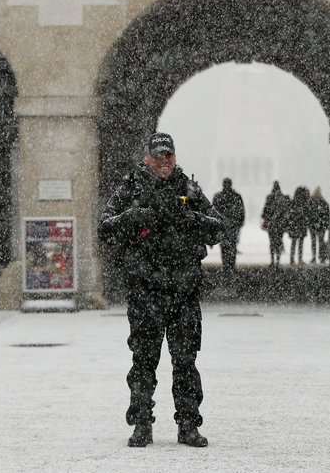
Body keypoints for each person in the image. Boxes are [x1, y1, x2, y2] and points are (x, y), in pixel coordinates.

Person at [98, 132, 224, 448]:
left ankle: (188, 425)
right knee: (143, 362)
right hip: (145, 292)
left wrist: (191, 218)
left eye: (168, 157)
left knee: (185, 362)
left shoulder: (189, 189)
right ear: (147, 159)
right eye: (158, 157)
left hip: (182, 293)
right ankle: (141, 424)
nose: (163, 163)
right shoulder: (130, 188)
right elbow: (104, 228)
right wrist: (132, 217)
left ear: (175, 158)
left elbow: (219, 227)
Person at [212, 178, 245, 271]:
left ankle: (226, 265)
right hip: (232, 225)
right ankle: (230, 265)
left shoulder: (218, 196)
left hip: (223, 225)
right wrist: (239, 222)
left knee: (224, 246)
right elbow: (241, 211)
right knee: (231, 246)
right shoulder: (236, 196)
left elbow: (213, 211)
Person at [260, 181, 290, 266]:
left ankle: (272, 260)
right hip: (280, 224)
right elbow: (286, 212)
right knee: (279, 241)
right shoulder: (283, 198)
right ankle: (277, 260)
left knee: (272, 242)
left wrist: (267, 218)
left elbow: (265, 210)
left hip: (271, 224)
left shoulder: (269, 198)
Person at [287, 186, 311, 265]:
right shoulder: (304, 203)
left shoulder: (293, 202)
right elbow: (307, 214)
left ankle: (292, 259)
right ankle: (300, 259)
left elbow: (290, 214)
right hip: (301, 225)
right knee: (300, 243)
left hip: (294, 225)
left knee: (293, 243)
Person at [308, 186, 330, 264]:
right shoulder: (323, 202)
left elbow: (309, 214)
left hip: (313, 225)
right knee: (320, 242)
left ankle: (314, 257)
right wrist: (327, 225)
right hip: (321, 226)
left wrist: (310, 223)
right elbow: (326, 215)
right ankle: (321, 257)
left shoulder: (311, 201)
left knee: (314, 242)